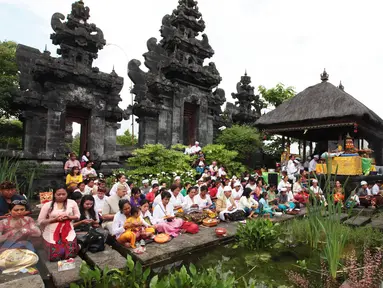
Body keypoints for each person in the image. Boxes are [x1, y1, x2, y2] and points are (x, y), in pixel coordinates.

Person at [37, 188, 80, 261]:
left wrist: (68, 217)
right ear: (54, 194)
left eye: (63, 194)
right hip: (51, 231)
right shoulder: (47, 205)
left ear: (67, 194)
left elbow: (78, 216)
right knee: (55, 256)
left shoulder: (72, 203)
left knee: (70, 254)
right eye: (58, 194)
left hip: (67, 230)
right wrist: (54, 219)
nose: (61, 196)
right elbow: (40, 221)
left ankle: (77, 246)